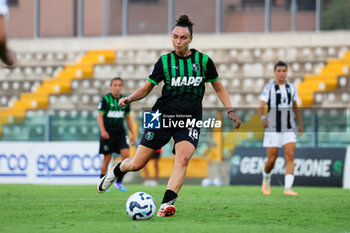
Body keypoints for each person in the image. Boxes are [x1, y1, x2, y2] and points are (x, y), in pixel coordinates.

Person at [97, 15, 241, 217]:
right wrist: (129, 98)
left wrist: (230, 110)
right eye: (175, 37)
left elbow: (219, 87)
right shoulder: (164, 62)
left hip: (189, 120)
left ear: (191, 38)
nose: (178, 41)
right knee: (137, 163)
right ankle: (116, 171)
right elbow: (147, 89)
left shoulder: (204, 61)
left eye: (183, 37)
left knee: (182, 159)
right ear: (171, 37)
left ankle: (166, 204)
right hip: (160, 117)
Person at [259, 61, 303, 196]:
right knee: (272, 160)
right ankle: (266, 179)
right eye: (279, 70)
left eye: (284, 71)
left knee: (290, 156)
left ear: (286, 72)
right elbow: (261, 105)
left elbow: (294, 106)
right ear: (274, 72)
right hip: (273, 127)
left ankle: (288, 188)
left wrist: (300, 123)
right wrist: (263, 118)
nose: (281, 73)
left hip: (289, 127)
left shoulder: (291, 87)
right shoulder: (269, 87)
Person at [97, 77, 136, 192]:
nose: (117, 87)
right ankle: (102, 182)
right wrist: (103, 131)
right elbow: (99, 117)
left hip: (120, 133)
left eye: (119, 85)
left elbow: (128, 118)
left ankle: (118, 182)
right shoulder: (106, 100)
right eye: (115, 85)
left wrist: (133, 134)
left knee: (126, 156)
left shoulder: (124, 100)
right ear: (111, 86)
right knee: (107, 159)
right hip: (108, 133)